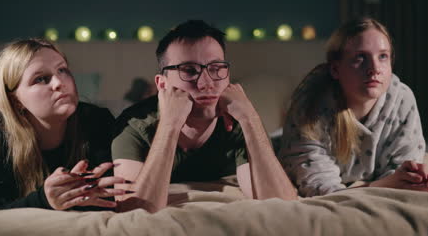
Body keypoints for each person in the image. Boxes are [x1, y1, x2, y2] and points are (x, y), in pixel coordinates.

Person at [112, 20, 297, 212]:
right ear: (162, 84)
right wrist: (170, 124)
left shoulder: (240, 119)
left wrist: (250, 118)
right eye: (189, 71)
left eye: (216, 69)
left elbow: (283, 204)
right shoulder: (134, 125)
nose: (206, 83)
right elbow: (133, 211)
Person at [0, 39, 128, 212]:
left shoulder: (96, 119)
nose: (59, 83)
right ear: (15, 100)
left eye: (62, 70)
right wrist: (44, 200)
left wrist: (80, 195)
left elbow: (115, 195)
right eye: (41, 79)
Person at [279, 17, 428, 197]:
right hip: (288, 145)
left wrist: (413, 179)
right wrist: (381, 185)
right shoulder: (310, 105)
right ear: (335, 69)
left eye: (383, 56)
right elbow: (320, 187)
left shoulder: (402, 99)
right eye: (360, 57)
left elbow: (402, 175)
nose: (374, 68)